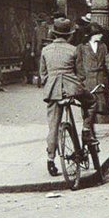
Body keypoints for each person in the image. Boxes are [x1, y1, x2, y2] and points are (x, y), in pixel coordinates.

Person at [40, 18, 96, 177]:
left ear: (53, 33)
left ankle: (50, 160)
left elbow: (42, 74)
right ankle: (86, 130)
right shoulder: (73, 49)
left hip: (53, 91)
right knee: (91, 102)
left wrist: (50, 82)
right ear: (69, 35)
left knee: (53, 126)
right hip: (72, 88)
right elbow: (81, 74)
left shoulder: (46, 50)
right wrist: (79, 83)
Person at [76, 23, 109, 122]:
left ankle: (101, 123)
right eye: (99, 34)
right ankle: (87, 123)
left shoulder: (103, 46)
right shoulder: (81, 47)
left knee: (102, 103)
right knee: (88, 103)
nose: (101, 35)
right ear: (92, 34)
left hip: (100, 78)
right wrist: (81, 77)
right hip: (87, 79)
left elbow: (108, 61)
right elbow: (78, 64)